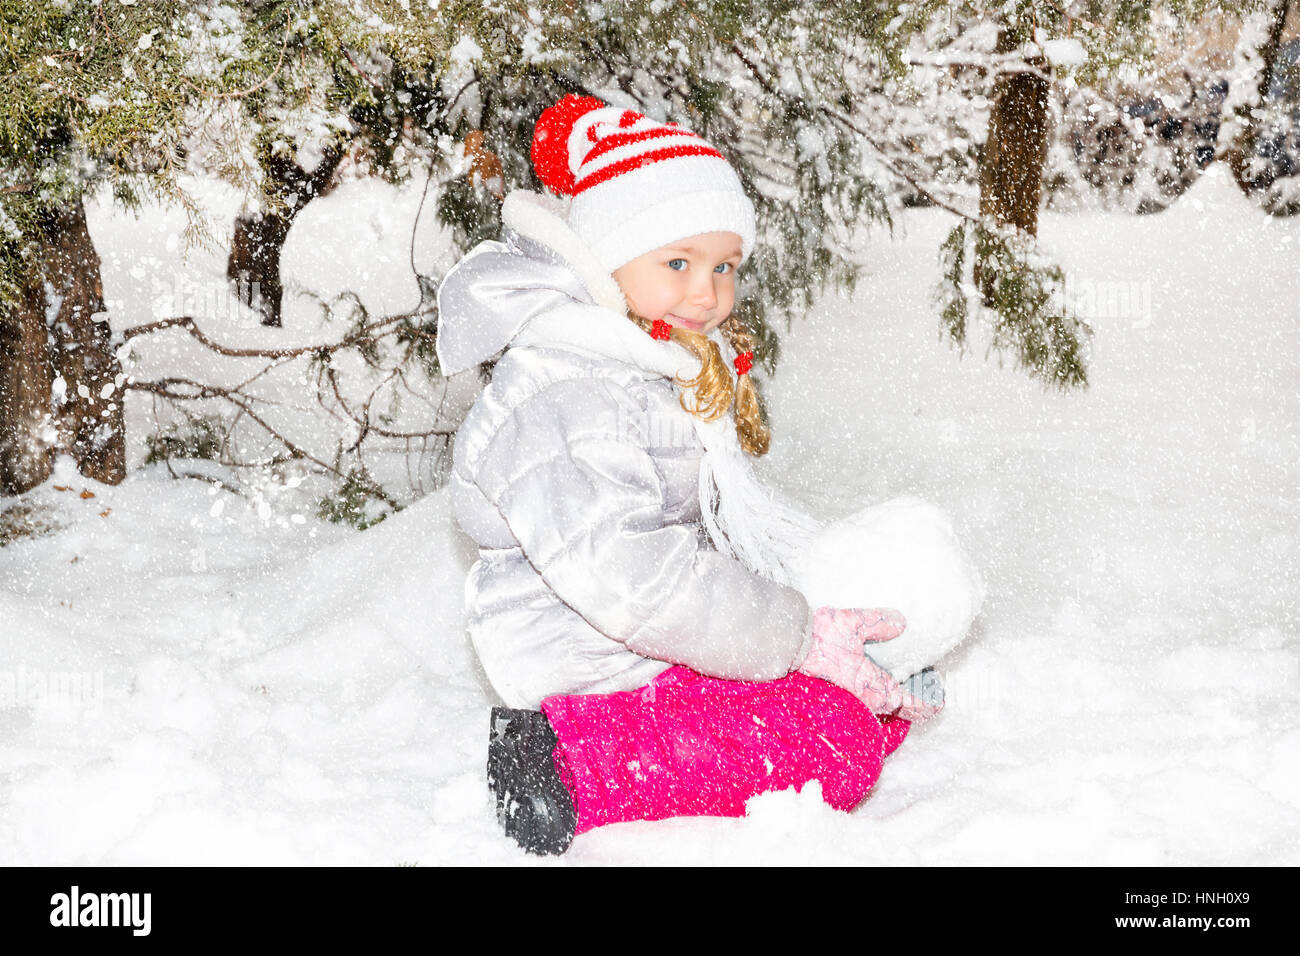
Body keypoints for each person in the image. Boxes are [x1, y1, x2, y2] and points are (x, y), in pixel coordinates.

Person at [436, 95, 943, 856]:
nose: (708, 292)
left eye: (723, 266)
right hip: (587, 665)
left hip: (648, 642)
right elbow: (632, 578)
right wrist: (793, 636)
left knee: (836, 695)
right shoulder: (567, 390)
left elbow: (698, 542)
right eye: (678, 263)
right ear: (604, 258)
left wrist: (797, 622)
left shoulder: (637, 364)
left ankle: (835, 708)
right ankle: (565, 765)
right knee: (835, 740)